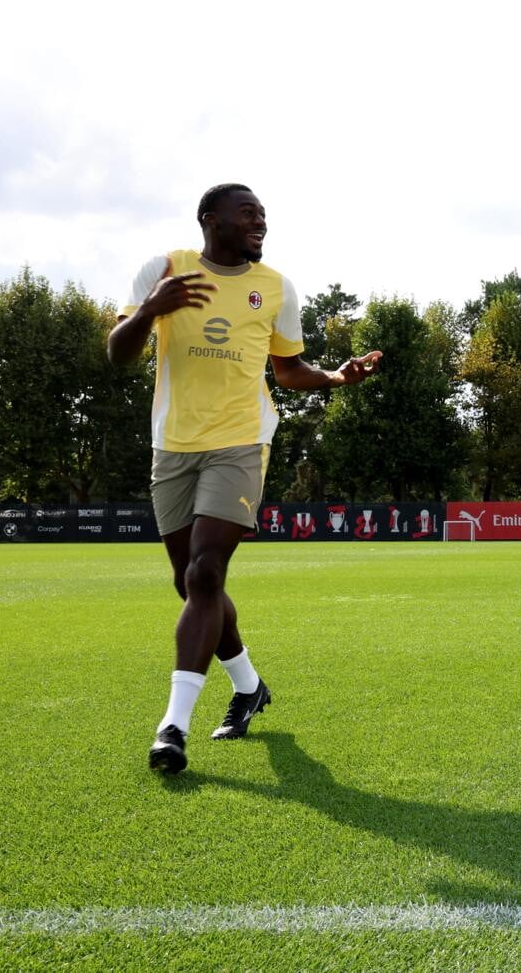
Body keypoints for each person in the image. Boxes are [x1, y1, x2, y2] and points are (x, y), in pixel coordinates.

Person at [107, 183, 382, 775]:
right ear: (211, 219)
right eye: (248, 212)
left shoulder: (277, 287)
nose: (260, 222)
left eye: (263, 214)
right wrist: (151, 309)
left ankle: (172, 727)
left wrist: (336, 378)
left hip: (241, 442)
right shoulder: (165, 270)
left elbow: (288, 370)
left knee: (206, 571)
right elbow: (118, 353)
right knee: (190, 583)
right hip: (172, 445)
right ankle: (249, 686)